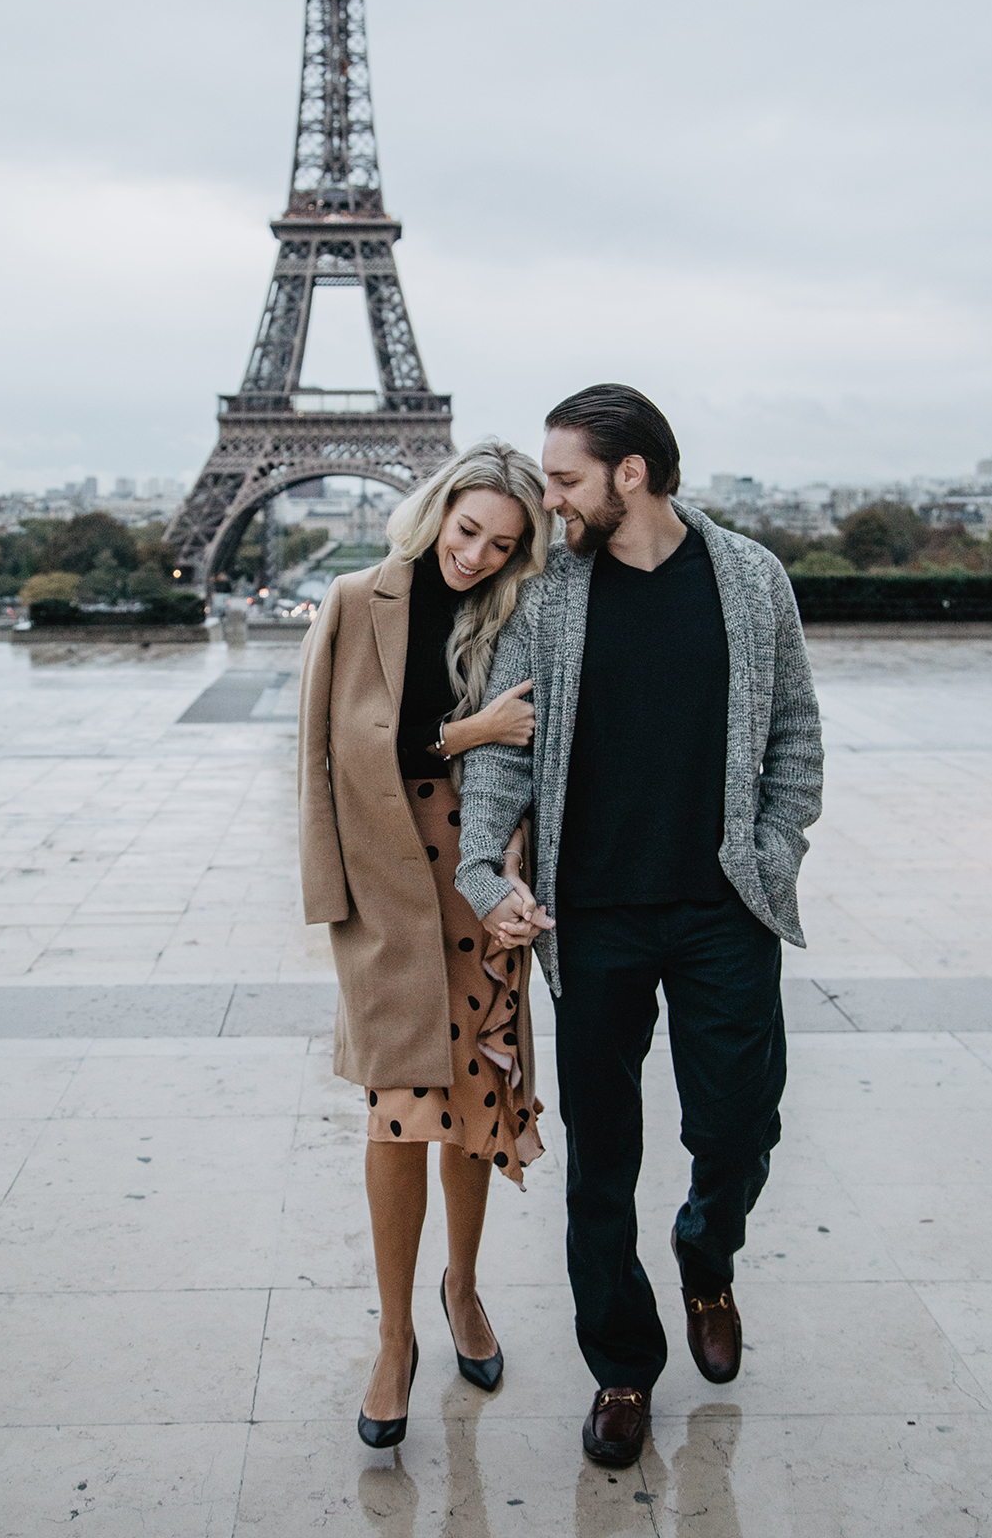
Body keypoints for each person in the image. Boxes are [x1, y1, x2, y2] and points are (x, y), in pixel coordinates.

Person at [456, 384, 824, 1470]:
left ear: (631, 473)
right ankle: (621, 1366)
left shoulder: (749, 577)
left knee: (738, 1124)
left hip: (722, 908)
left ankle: (704, 1252)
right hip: (594, 916)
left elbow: (794, 731)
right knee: (600, 1159)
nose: (547, 497)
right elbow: (504, 749)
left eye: (563, 478)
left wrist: (771, 849)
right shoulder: (550, 595)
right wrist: (487, 877)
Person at [298, 440, 552, 1450]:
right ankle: (394, 1336)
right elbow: (331, 751)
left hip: (479, 872)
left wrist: (522, 877)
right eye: (467, 530)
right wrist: (468, 730)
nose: (478, 556)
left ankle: (464, 1288)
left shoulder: (515, 616)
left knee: (471, 1106)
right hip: (391, 874)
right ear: (436, 509)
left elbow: (537, 752)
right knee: (398, 1108)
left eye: (502, 544)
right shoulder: (357, 598)